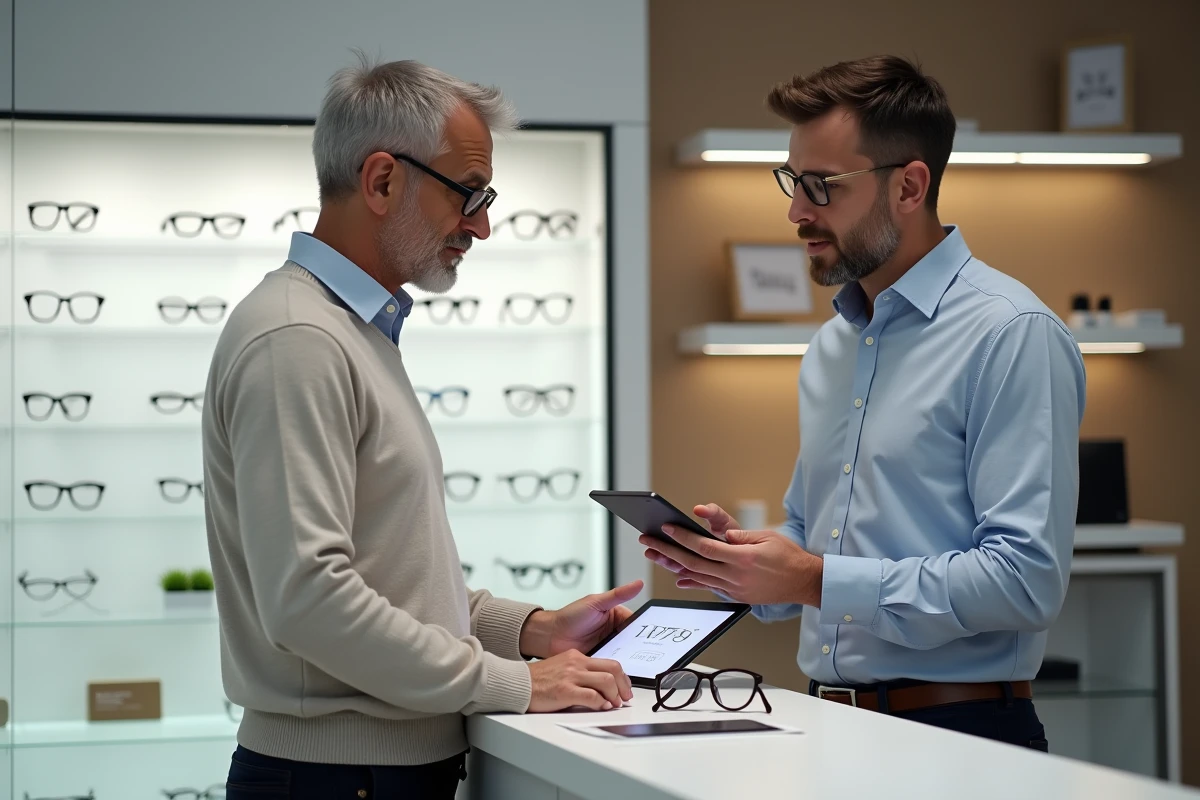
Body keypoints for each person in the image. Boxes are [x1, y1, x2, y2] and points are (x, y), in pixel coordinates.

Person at [202, 55, 641, 799]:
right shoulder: (299, 338)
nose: (483, 226)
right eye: (469, 194)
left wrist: (532, 631)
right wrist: (516, 682)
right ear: (382, 181)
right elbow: (309, 601)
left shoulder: (348, 332)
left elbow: (390, 584)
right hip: (338, 780)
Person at [640, 55, 1085, 751]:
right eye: (792, 182)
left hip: (962, 737)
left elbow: (1024, 581)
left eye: (820, 186)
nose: (796, 211)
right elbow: (810, 532)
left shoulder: (1011, 334)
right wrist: (744, 566)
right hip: (826, 725)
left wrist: (817, 580)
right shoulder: (833, 345)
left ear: (909, 186)